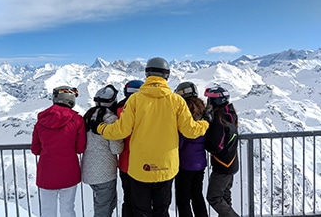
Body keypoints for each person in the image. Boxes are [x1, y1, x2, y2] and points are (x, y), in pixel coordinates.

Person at [90, 57, 209, 217]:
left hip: (140, 169)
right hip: (166, 168)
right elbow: (190, 131)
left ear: (147, 74)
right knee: (161, 210)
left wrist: (100, 127)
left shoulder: (135, 100)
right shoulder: (177, 101)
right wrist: (205, 123)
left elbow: (120, 131)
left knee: (141, 211)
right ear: (166, 75)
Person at [31, 86, 86, 217]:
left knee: (47, 211)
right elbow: (80, 148)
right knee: (67, 209)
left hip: (46, 173)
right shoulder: (77, 120)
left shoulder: (41, 120)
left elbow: (35, 149)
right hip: (69, 172)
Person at [81, 85, 124, 217]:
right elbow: (116, 148)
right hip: (104, 173)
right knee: (104, 209)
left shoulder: (88, 116)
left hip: (88, 170)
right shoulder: (110, 119)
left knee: (103, 205)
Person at [203, 86, 239, 217]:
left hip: (222, 165)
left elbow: (215, 146)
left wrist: (205, 136)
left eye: (211, 99)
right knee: (225, 197)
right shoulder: (230, 113)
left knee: (214, 197)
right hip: (231, 162)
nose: (208, 102)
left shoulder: (219, 120)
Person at [174, 82, 208, 217]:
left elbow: (181, 140)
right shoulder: (203, 110)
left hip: (184, 163)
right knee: (197, 196)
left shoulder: (183, 111)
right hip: (200, 163)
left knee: (183, 200)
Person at [117, 79, 144, 217]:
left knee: (128, 199)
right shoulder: (146, 111)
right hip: (142, 163)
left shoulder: (118, 110)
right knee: (143, 202)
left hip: (125, 163)